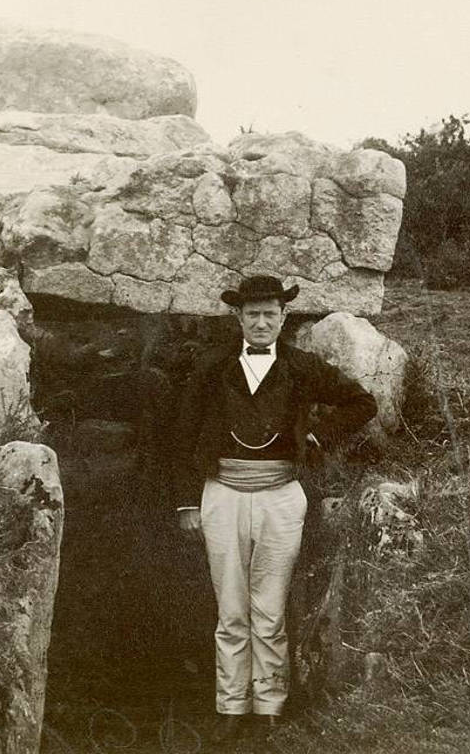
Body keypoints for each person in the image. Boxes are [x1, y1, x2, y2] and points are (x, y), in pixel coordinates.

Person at [172, 275, 377, 740]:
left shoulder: (303, 367)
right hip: (220, 493)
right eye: (252, 314)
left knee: (269, 606)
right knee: (231, 607)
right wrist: (188, 502)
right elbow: (182, 436)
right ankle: (230, 706)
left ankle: (269, 706)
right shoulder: (211, 368)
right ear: (238, 318)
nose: (261, 322)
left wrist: (318, 438)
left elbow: (363, 402)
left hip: (281, 496)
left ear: (283, 318)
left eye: (270, 314)